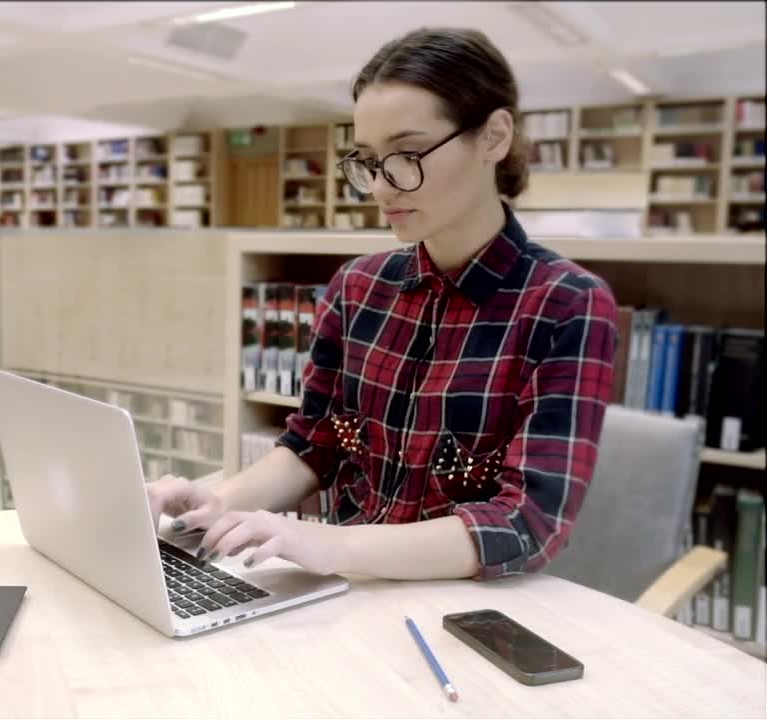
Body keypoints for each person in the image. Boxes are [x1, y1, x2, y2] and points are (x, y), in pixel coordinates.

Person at [147, 27, 618, 582]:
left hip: (456, 608)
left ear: (494, 136)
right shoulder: (357, 287)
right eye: (370, 160)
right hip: (340, 592)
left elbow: (527, 521)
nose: (380, 188)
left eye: (407, 154)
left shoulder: (567, 305)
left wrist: (332, 545)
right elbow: (314, 444)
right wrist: (216, 504)